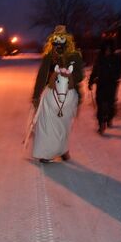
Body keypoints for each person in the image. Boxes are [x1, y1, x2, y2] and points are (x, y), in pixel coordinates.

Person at [31, 25, 83, 163]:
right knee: (47, 124)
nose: (58, 43)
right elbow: (42, 76)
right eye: (56, 40)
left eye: (61, 39)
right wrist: (36, 95)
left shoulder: (74, 55)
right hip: (51, 93)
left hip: (69, 94)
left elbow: (80, 75)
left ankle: (63, 149)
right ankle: (46, 153)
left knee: (64, 125)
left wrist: (66, 74)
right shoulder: (49, 56)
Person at [88, 40, 121, 134]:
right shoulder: (99, 58)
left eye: (109, 49)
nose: (107, 51)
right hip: (101, 84)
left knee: (110, 104)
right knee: (100, 104)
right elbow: (95, 70)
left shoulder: (116, 58)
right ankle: (101, 124)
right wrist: (91, 81)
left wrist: (113, 77)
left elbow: (118, 72)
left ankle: (109, 118)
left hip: (111, 85)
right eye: (106, 49)